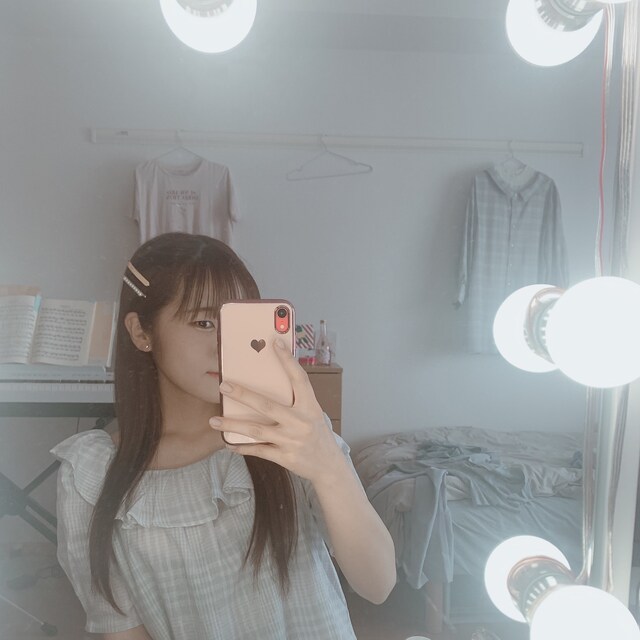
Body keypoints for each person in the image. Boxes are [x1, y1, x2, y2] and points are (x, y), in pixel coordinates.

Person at [52, 232, 396, 640]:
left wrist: (328, 467)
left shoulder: (292, 433)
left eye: (235, 324)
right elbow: (122, 629)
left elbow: (377, 584)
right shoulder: (92, 475)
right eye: (203, 322)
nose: (224, 344)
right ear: (141, 332)